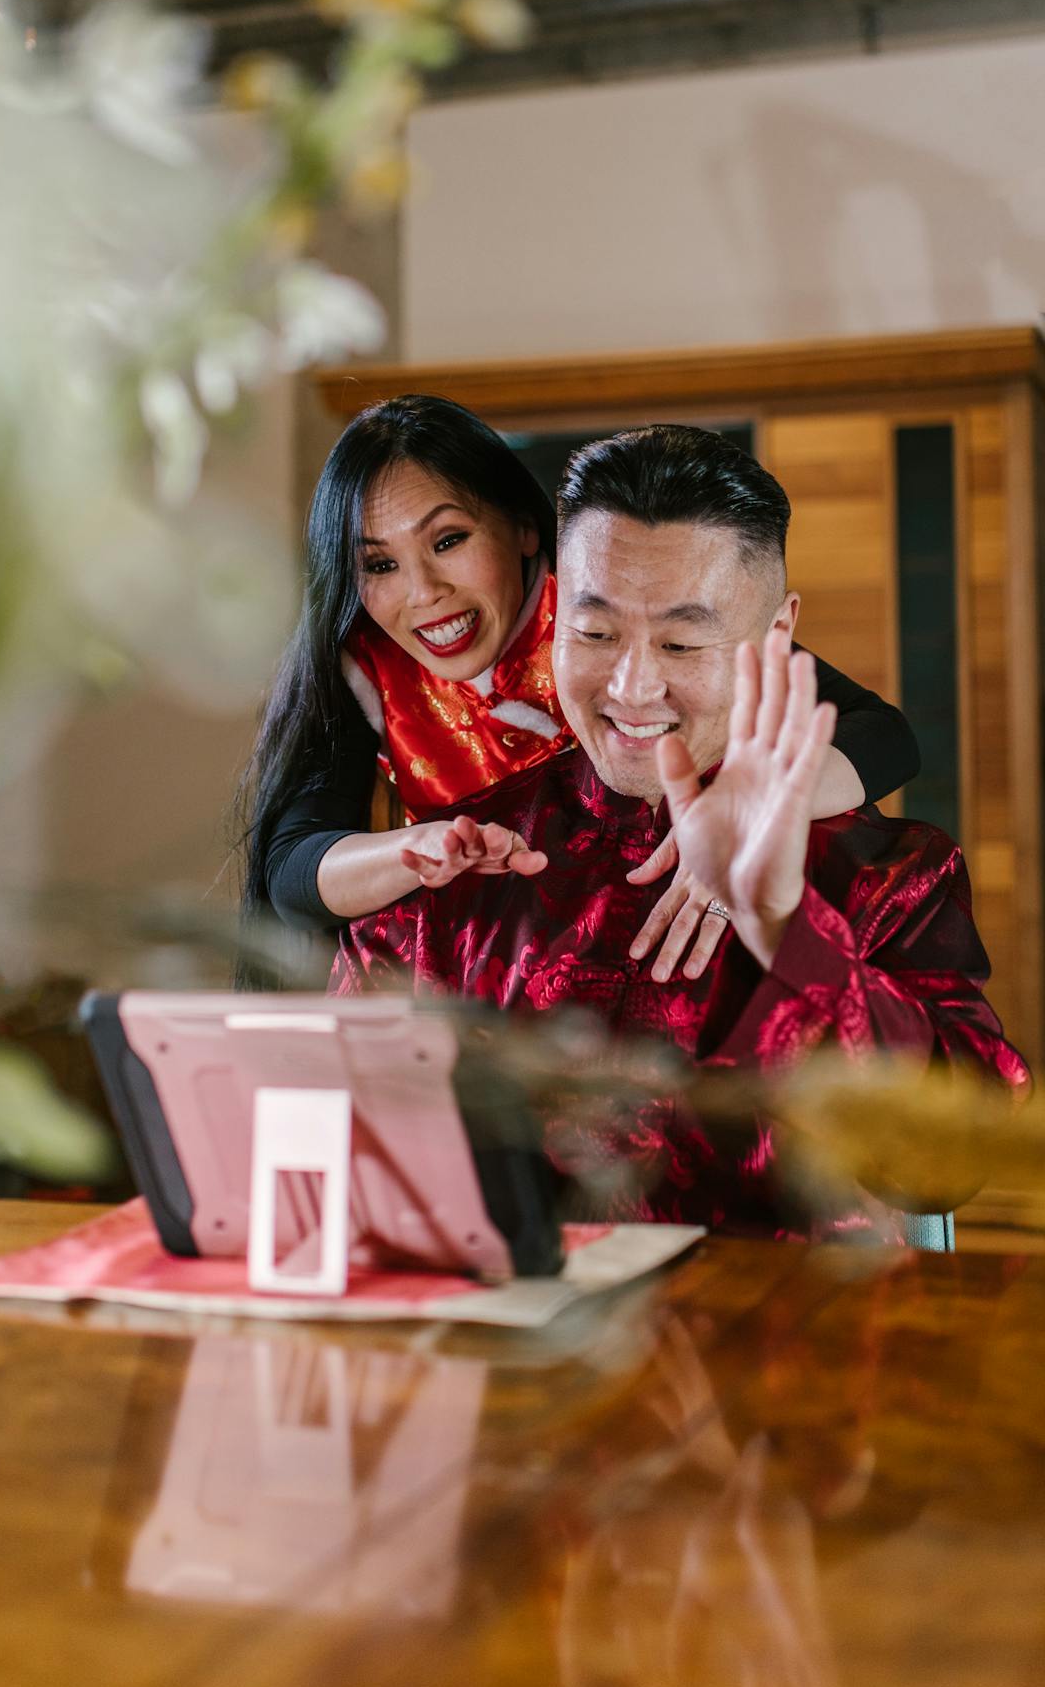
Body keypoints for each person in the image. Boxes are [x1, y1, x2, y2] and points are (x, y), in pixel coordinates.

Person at [329, 425, 1028, 1238]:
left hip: (785, 1316)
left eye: (681, 642)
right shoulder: (459, 869)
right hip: (516, 1316)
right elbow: (335, 1156)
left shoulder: (888, 877)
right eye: (595, 634)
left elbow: (951, 1163)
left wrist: (793, 936)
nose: (632, 687)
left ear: (776, 637)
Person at [240, 396, 920, 980]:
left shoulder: (618, 599)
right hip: (516, 961)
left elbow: (881, 733)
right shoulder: (367, 667)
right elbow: (292, 871)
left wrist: (753, 810)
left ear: (523, 528)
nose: (423, 593)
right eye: (380, 564)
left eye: (448, 541)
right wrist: (426, 850)